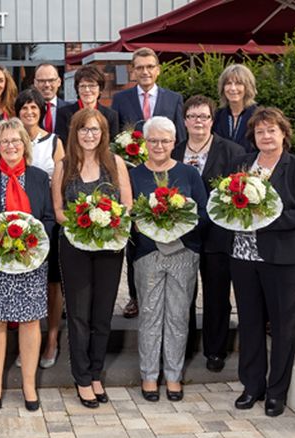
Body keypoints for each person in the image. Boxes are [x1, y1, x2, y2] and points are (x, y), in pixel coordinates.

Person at [230, 107, 295, 417]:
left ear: (283, 133)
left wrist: (267, 219)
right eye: (260, 131)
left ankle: (276, 392)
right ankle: (252, 386)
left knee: (283, 326)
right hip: (243, 255)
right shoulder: (242, 166)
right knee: (250, 323)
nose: (266, 136)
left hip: (284, 259)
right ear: (253, 136)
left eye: (271, 130)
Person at [0, 118, 55, 412]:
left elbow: (48, 218)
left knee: (30, 320)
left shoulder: (39, 177)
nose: (10, 146)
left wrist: (31, 244)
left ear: (25, 144)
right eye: (4, 141)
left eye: (16, 140)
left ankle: (28, 384)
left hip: (30, 261)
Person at [52, 108, 132, 408]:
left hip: (110, 247)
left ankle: (96, 372)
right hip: (74, 246)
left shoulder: (116, 163)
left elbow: (126, 205)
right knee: (78, 313)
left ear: (103, 134)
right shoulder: (64, 165)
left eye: (95, 130)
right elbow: (58, 211)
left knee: (102, 314)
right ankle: (82, 377)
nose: (89, 134)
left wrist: (105, 223)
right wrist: (81, 224)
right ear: (75, 132)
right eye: (84, 129)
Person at [130, 116, 206, 403]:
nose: (159, 145)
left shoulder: (189, 174)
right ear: (145, 143)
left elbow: (203, 215)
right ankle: (149, 375)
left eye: (164, 140)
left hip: (182, 254)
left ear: (175, 142)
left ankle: (173, 375)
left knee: (177, 315)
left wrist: (180, 222)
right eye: (153, 140)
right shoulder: (134, 175)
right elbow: (129, 214)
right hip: (147, 254)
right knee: (149, 314)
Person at [111, 47, 186, 319]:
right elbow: (115, 140)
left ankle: (169, 288)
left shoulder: (174, 99)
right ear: (133, 70)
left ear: (158, 69)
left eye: (149, 66)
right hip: (134, 177)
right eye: (139, 67)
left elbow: (179, 139)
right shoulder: (120, 99)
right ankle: (135, 296)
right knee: (136, 237)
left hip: (166, 177)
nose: (144, 71)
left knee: (167, 232)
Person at [171, 95, 245, 373]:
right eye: (193, 116)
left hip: (218, 235)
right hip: (184, 236)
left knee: (216, 294)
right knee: (183, 294)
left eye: (204, 116)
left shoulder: (233, 152)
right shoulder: (175, 152)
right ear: (185, 120)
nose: (198, 121)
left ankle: (215, 350)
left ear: (212, 121)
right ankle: (185, 345)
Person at [16, 88, 65, 370]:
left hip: (48, 220)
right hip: (19, 222)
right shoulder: (11, 140)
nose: (29, 112)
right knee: (26, 282)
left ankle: (52, 339)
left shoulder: (54, 141)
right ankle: (28, 341)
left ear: (42, 111)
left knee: (52, 284)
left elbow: (62, 180)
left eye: (34, 108)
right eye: (24, 108)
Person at [54, 65, 119, 143]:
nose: (87, 90)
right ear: (77, 89)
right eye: (83, 86)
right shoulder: (64, 113)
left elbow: (112, 145)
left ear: (100, 88)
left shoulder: (110, 115)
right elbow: (62, 143)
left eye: (92, 85)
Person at [213, 64, 258, 153]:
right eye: (228, 83)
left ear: (248, 87)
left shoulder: (258, 116)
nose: (233, 88)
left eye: (238, 83)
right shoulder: (216, 116)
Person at [33, 63, 71, 134]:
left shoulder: (70, 111)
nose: (47, 85)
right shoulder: (28, 111)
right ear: (35, 83)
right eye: (42, 81)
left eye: (51, 80)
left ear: (59, 82)